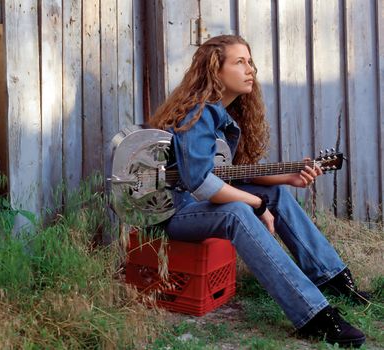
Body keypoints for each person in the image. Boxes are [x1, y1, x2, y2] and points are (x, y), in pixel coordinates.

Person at [149, 34, 370, 348]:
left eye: (250, 61)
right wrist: (256, 204)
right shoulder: (198, 114)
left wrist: (287, 178)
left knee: (274, 196)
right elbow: (201, 182)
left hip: (194, 203)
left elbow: (231, 172)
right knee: (239, 211)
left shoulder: (225, 113)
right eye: (240, 62)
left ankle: (332, 279)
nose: (250, 69)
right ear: (215, 70)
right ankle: (312, 315)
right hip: (174, 211)